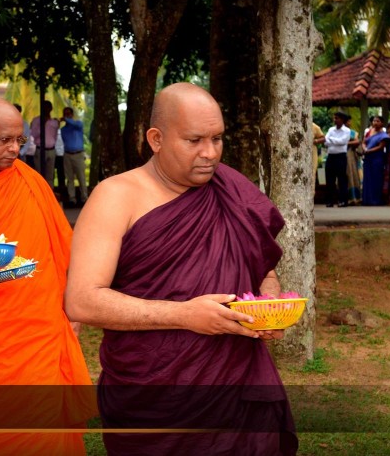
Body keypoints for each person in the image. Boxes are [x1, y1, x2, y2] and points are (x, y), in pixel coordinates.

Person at [64, 83, 297, 456]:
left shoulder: (231, 190)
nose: (210, 153)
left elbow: (262, 269)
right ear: (156, 139)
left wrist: (268, 306)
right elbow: (82, 301)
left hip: (235, 386)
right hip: (155, 396)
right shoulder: (116, 196)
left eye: (217, 139)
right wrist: (184, 315)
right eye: (194, 141)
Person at [0, 98, 96, 455]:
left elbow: (61, 247)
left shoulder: (31, 182)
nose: (15, 149)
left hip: (41, 329)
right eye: (5, 140)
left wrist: (70, 306)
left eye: (20, 139)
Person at [60, 107, 87, 207]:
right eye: (65, 114)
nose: (67, 116)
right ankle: (72, 199)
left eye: (68, 114)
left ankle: (84, 198)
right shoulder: (63, 130)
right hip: (67, 154)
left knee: (81, 177)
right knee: (69, 178)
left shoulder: (78, 124)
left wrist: (66, 119)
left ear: (72, 115)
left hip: (78, 154)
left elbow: (76, 124)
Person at [324, 110, 352, 207]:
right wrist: (332, 141)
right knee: (329, 179)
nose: (334, 120)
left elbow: (343, 142)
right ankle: (330, 201)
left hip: (341, 156)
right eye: (334, 118)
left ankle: (343, 200)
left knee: (341, 179)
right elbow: (325, 142)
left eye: (337, 118)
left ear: (342, 120)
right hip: (331, 156)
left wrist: (330, 140)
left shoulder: (347, 130)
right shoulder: (331, 129)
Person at [362, 116, 390, 206]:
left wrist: (369, 150)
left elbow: (381, 146)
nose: (375, 123)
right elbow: (364, 142)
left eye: (378, 121)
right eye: (374, 121)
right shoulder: (369, 132)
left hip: (377, 158)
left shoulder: (384, 135)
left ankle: (376, 200)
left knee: (376, 178)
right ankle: (367, 200)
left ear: (382, 123)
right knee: (367, 178)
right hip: (368, 158)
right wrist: (364, 148)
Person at [31, 100, 59, 186]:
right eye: (44, 107)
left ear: (51, 109)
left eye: (48, 107)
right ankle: (40, 192)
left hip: (51, 150)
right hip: (40, 150)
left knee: (50, 175)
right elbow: (33, 134)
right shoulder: (36, 120)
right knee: (39, 174)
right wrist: (43, 124)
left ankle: (50, 191)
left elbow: (55, 136)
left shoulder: (54, 122)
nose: (46, 109)